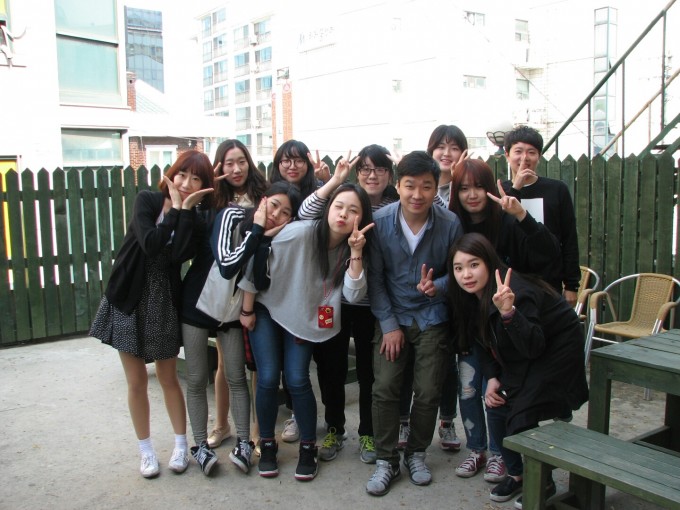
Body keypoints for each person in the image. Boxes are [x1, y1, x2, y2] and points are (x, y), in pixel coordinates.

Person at [89, 150, 214, 478]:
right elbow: (151, 243)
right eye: (182, 174)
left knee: (168, 377)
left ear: (203, 186)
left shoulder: (196, 220)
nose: (186, 183)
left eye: (196, 178)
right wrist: (174, 210)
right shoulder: (147, 200)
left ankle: (180, 445)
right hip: (128, 296)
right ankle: (145, 451)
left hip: (164, 300)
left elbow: (181, 254)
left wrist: (184, 211)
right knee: (137, 381)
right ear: (172, 174)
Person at [239, 178, 374, 481]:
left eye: (353, 210)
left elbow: (352, 295)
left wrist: (355, 253)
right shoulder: (301, 232)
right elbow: (256, 259)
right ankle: (268, 445)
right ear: (328, 209)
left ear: (362, 217)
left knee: (298, 378)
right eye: (338, 206)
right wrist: (246, 309)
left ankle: (308, 447)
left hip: (306, 315)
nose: (343, 214)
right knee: (268, 377)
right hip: (268, 307)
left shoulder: (355, 247)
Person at [448, 233, 588, 507]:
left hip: (556, 349)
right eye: (458, 268)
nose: (466, 274)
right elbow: (482, 341)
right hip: (522, 351)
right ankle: (517, 474)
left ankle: (544, 482)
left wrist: (509, 313)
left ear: (489, 262)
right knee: (497, 405)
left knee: (520, 411)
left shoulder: (514, 293)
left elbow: (533, 346)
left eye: (474, 265)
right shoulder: (469, 297)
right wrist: (492, 377)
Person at [448, 155, 561, 483]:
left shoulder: (507, 218)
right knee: (468, 387)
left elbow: (549, 252)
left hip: (506, 319)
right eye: (464, 188)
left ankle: (500, 454)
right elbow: (448, 274)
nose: (472, 194)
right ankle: (477, 449)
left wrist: (522, 215)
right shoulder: (453, 223)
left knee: (496, 391)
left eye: (478, 187)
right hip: (470, 322)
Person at [365, 151, 463, 497]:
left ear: (436, 188)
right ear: (398, 185)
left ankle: (416, 453)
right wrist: (389, 325)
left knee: (429, 390)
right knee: (385, 387)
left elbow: (460, 271)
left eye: (426, 186)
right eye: (410, 186)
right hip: (392, 314)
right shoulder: (381, 222)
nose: (417, 195)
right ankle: (386, 459)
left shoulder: (449, 223)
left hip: (432, 315)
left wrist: (439, 286)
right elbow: (375, 280)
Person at [298, 144, 398, 464]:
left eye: (380, 169)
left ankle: (367, 431)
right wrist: (335, 181)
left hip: (370, 303)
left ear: (390, 174)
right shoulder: (343, 201)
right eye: (365, 169)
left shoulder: (394, 206)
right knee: (331, 367)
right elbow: (305, 214)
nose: (372, 175)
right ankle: (335, 428)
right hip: (331, 302)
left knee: (369, 371)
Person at [180, 139, 270, 475]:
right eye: (228, 163)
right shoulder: (209, 202)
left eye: (241, 161)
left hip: (237, 303)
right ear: (219, 167)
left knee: (237, 375)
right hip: (199, 300)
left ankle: (245, 440)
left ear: (249, 162)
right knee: (196, 377)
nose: (236, 168)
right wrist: (202, 194)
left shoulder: (263, 198)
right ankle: (200, 444)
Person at [501, 125, 580, 303]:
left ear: (539, 156)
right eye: (518, 151)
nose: (524, 158)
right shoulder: (500, 191)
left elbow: (569, 239)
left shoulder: (557, 190)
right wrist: (515, 188)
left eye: (531, 152)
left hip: (548, 282)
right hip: (511, 283)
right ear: (507, 154)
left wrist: (571, 285)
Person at [427, 124, 468, 205]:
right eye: (441, 147)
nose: (447, 153)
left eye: (454, 148)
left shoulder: (467, 188)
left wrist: (456, 179)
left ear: (463, 154)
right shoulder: (420, 183)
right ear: (431, 151)